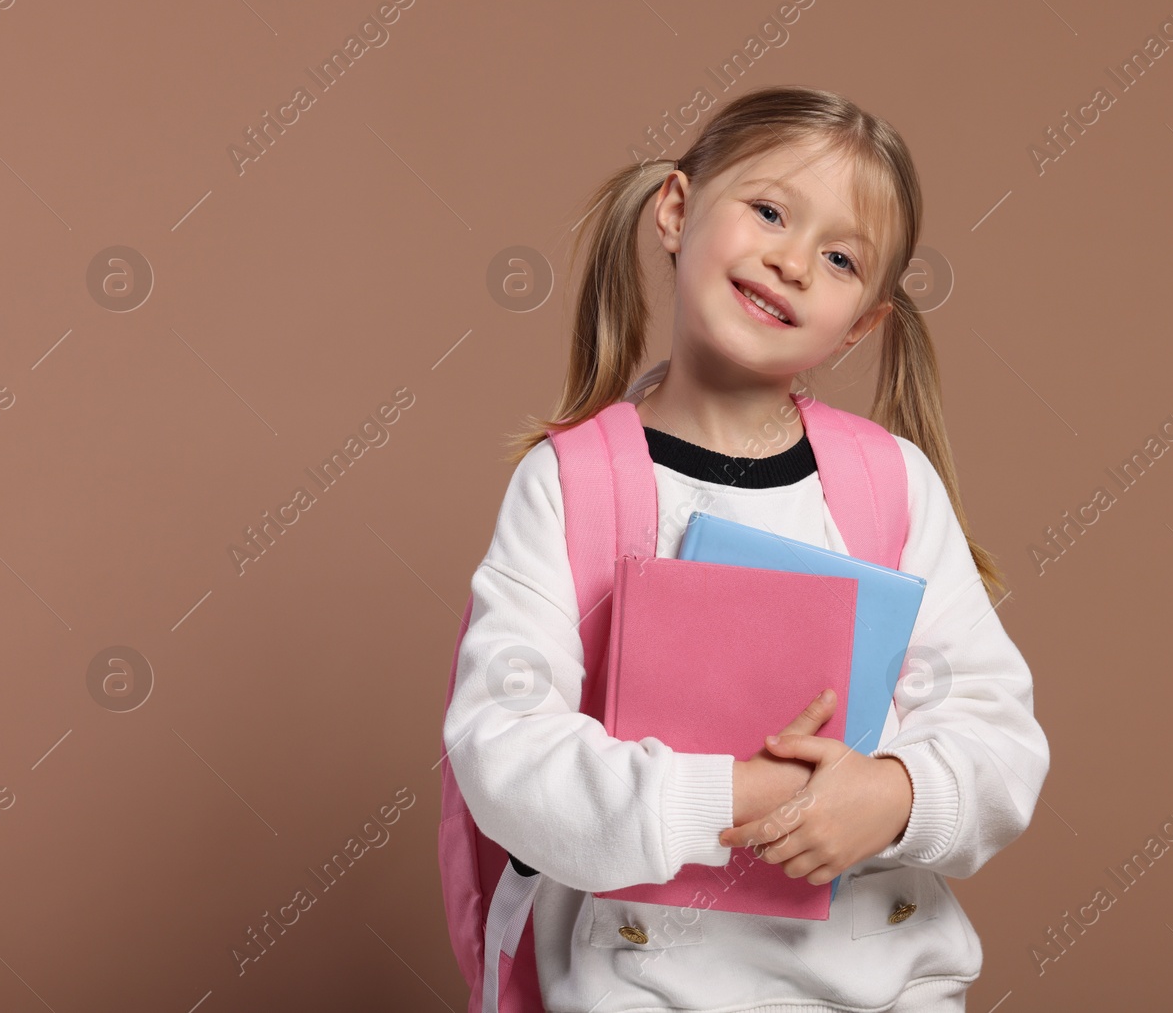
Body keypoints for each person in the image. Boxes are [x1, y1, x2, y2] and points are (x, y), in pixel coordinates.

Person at [444, 84, 1050, 1013]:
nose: (793, 261)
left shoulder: (891, 484)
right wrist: (725, 797)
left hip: (888, 989)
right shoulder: (573, 486)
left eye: (840, 257)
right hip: (647, 989)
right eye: (769, 210)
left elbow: (998, 738)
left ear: (863, 321)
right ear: (678, 211)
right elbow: (505, 750)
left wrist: (893, 795)